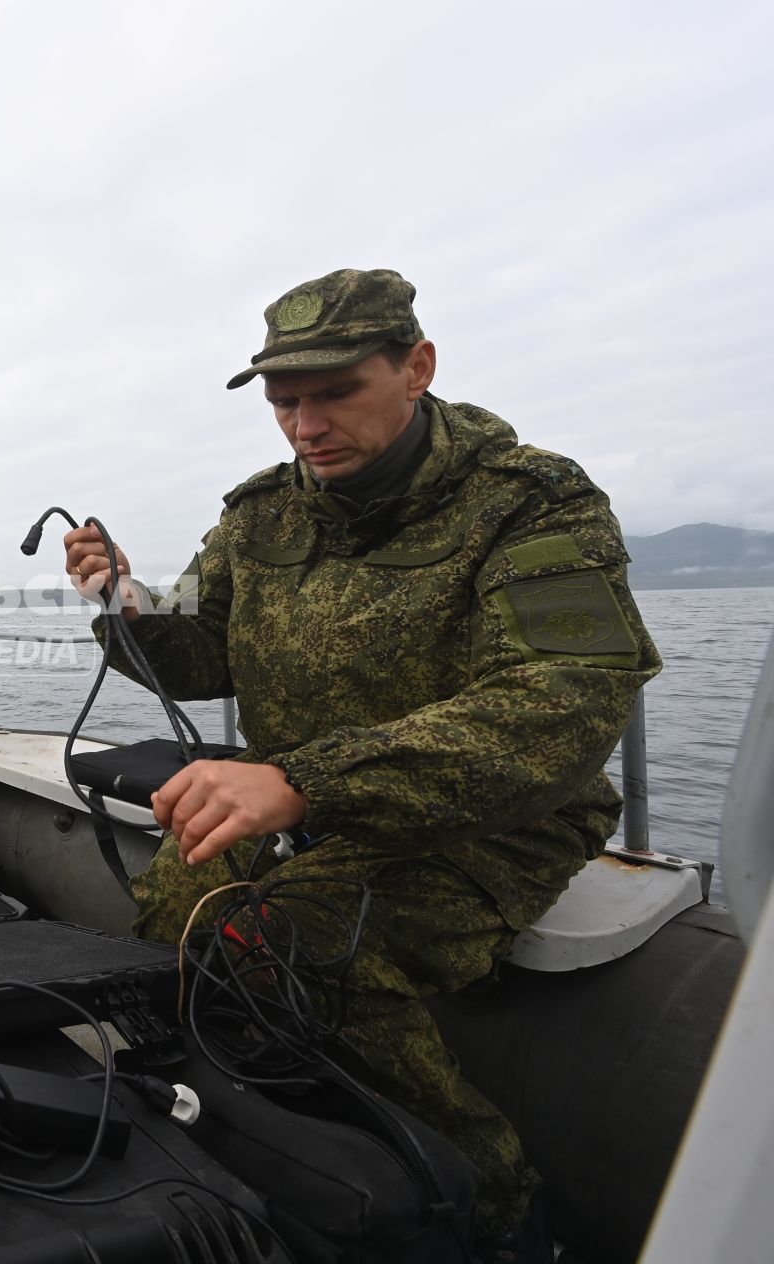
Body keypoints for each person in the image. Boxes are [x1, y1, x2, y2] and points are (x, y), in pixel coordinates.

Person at [62, 268, 659, 1258]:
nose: (306, 424)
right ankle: (286, 1146)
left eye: (335, 391)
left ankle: (501, 1216)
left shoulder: (528, 502)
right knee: (174, 919)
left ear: (416, 367)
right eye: (285, 401)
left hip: (495, 816)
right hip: (310, 799)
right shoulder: (263, 516)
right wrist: (124, 601)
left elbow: (564, 705)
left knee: (294, 943)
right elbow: (197, 653)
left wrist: (305, 780)